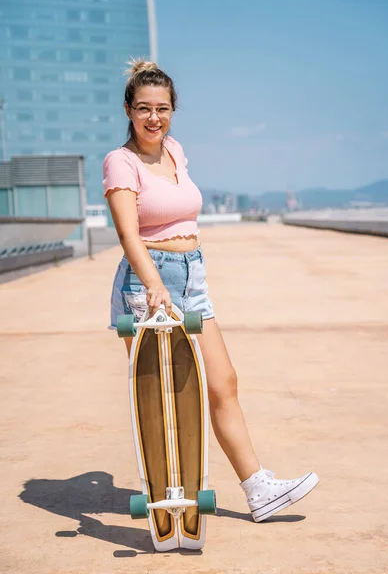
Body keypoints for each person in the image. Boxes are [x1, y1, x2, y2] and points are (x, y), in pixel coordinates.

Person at [103, 59, 319, 523]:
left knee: (223, 382)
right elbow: (127, 234)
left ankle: (258, 490)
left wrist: (181, 276)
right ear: (128, 110)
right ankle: (169, 503)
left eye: (162, 108)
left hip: (193, 278)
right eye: (143, 109)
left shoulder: (176, 152)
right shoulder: (120, 162)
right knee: (165, 397)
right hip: (148, 283)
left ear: (173, 111)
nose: (153, 118)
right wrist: (157, 284)